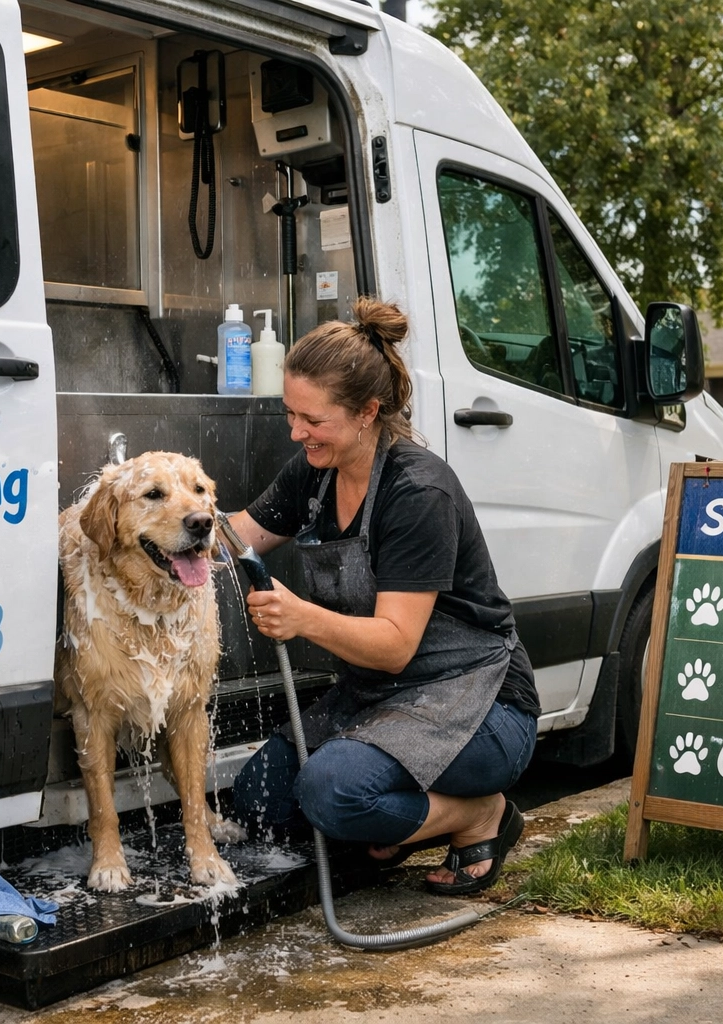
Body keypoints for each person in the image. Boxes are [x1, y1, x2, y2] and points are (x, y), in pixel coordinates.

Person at [225, 297, 539, 894]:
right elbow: (237, 537)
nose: (297, 432)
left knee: (332, 791)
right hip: (378, 699)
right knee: (259, 798)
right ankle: (389, 825)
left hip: (474, 703)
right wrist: (154, 516)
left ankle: (481, 814)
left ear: (368, 411)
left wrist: (299, 616)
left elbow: (396, 646)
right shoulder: (313, 472)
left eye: (312, 420)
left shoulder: (418, 492)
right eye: (291, 414)